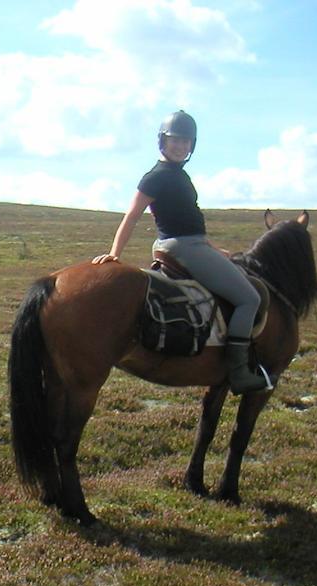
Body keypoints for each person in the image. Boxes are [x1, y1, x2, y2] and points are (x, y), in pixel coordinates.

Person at [92, 110, 271, 394]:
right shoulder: (155, 177)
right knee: (249, 298)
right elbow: (132, 216)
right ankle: (239, 372)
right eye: (175, 140)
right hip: (184, 247)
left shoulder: (180, 175)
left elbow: (187, 218)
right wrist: (115, 253)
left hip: (193, 244)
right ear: (162, 141)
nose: (181, 146)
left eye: (186, 142)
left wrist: (212, 248)